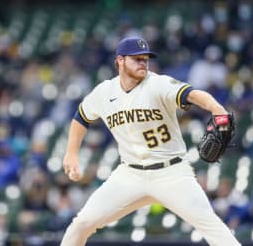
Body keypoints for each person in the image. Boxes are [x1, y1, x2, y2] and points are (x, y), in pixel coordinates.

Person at [61, 37, 241, 245]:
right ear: (120, 60)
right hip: (130, 174)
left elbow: (192, 94)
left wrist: (216, 108)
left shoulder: (157, 83)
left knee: (212, 226)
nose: (143, 63)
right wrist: (71, 152)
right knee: (82, 223)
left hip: (172, 173)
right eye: (137, 58)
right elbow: (81, 117)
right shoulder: (104, 92)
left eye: (145, 58)